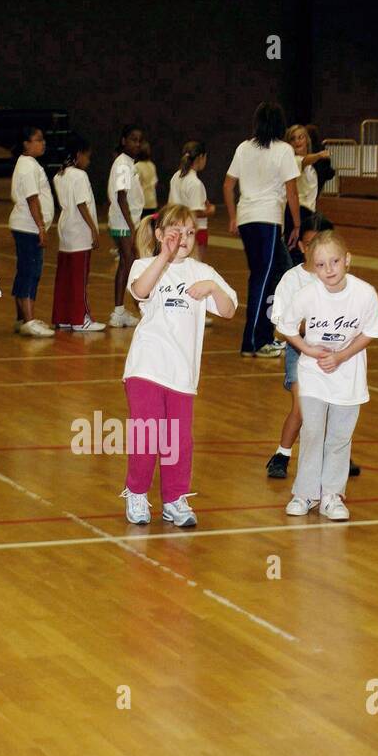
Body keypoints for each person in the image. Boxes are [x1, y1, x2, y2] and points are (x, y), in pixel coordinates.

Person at [119, 204, 236, 529]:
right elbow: (140, 292)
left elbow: (227, 311)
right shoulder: (145, 265)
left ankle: (174, 498)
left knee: (179, 440)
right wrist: (163, 257)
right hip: (146, 366)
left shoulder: (203, 272)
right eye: (175, 232)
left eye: (188, 232)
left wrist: (213, 289)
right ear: (159, 235)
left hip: (182, 373)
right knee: (148, 434)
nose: (183, 238)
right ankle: (137, 492)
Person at [275, 230, 378, 522]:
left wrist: (342, 356)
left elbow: (372, 331)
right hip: (314, 375)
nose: (329, 270)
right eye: (320, 265)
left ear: (347, 260)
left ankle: (332, 494)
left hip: (348, 377)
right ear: (312, 266)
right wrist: (307, 350)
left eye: (334, 261)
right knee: (312, 432)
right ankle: (305, 493)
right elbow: (285, 326)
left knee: (338, 437)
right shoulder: (307, 295)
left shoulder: (364, 293)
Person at [266, 214, 362, 483]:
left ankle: (336, 455)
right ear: (302, 246)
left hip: (334, 354)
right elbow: (279, 329)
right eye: (311, 244)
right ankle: (282, 454)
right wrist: (308, 327)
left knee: (335, 406)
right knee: (303, 408)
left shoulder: (342, 280)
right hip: (301, 352)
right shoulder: (291, 280)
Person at [223, 102, 299, 358]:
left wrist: (234, 217)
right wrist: (297, 224)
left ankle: (265, 334)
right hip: (267, 220)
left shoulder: (244, 148)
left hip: (247, 219)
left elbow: (227, 185)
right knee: (262, 278)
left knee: (276, 273)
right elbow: (291, 191)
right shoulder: (284, 150)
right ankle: (252, 342)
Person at [51, 134, 104, 331]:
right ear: (79, 154)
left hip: (65, 229)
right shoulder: (80, 175)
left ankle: (63, 317)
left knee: (65, 277)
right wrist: (94, 229)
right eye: (87, 157)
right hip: (80, 230)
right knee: (79, 279)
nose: (88, 161)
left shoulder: (59, 175)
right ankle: (80, 319)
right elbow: (82, 204)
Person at [9, 126, 55, 337]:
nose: (43, 143)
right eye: (38, 139)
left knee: (26, 270)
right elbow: (32, 198)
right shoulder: (27, 166)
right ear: (26, 143)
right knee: (31, 272)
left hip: (27, 226)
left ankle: (22, 318)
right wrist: (41, 227)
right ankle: (28, 320)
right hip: (28, 227)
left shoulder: (30, 164)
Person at [106, 124, 144, 328]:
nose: (137, 143)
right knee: (127, 263)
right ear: (123, 141)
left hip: (127, 221)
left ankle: (122, 310)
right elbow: (121, 197)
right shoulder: (122, 164)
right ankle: (119, 312)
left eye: (139, 140)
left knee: (128, 263)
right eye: (132, 139)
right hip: (123, 222)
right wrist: (132, 227)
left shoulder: (129, 163)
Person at [286, 124, 329, 265]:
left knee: (306, 252)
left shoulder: (311, 167)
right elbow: (305, 160)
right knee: (296, 253)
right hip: (297, 212)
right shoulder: (293, 161)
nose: (297, 141)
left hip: (308, 213)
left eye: (301, 137)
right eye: (293, 139)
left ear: (306, 140)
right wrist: (319, 155)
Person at [167, 140, 215, 263]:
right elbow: (194, 212)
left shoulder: (176, 177)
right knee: (195, 269)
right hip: (195, 231)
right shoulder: (195, 183)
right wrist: (209, 211)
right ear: (200, 157)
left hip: (176, 228)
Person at [135, 140, 159, 219]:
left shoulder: (136, 167)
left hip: (141, 203)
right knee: (151, 224)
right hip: (152, 202)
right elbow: (155, 182)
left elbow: (136, 186)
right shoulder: (152, 165)